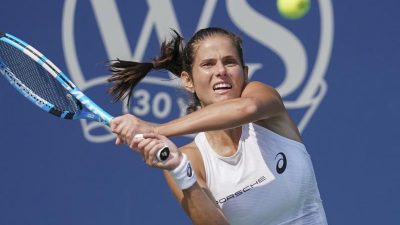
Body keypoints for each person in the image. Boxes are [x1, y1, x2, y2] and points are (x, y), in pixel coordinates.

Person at [108, 27, 328, 225]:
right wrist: (179, 170)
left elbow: (247, 108)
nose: (221, 70)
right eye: (208, 64)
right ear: (188, 81)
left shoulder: (265, 103)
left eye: (229, 62)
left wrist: (155, 129)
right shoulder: (192, 160)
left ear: (245, 73)